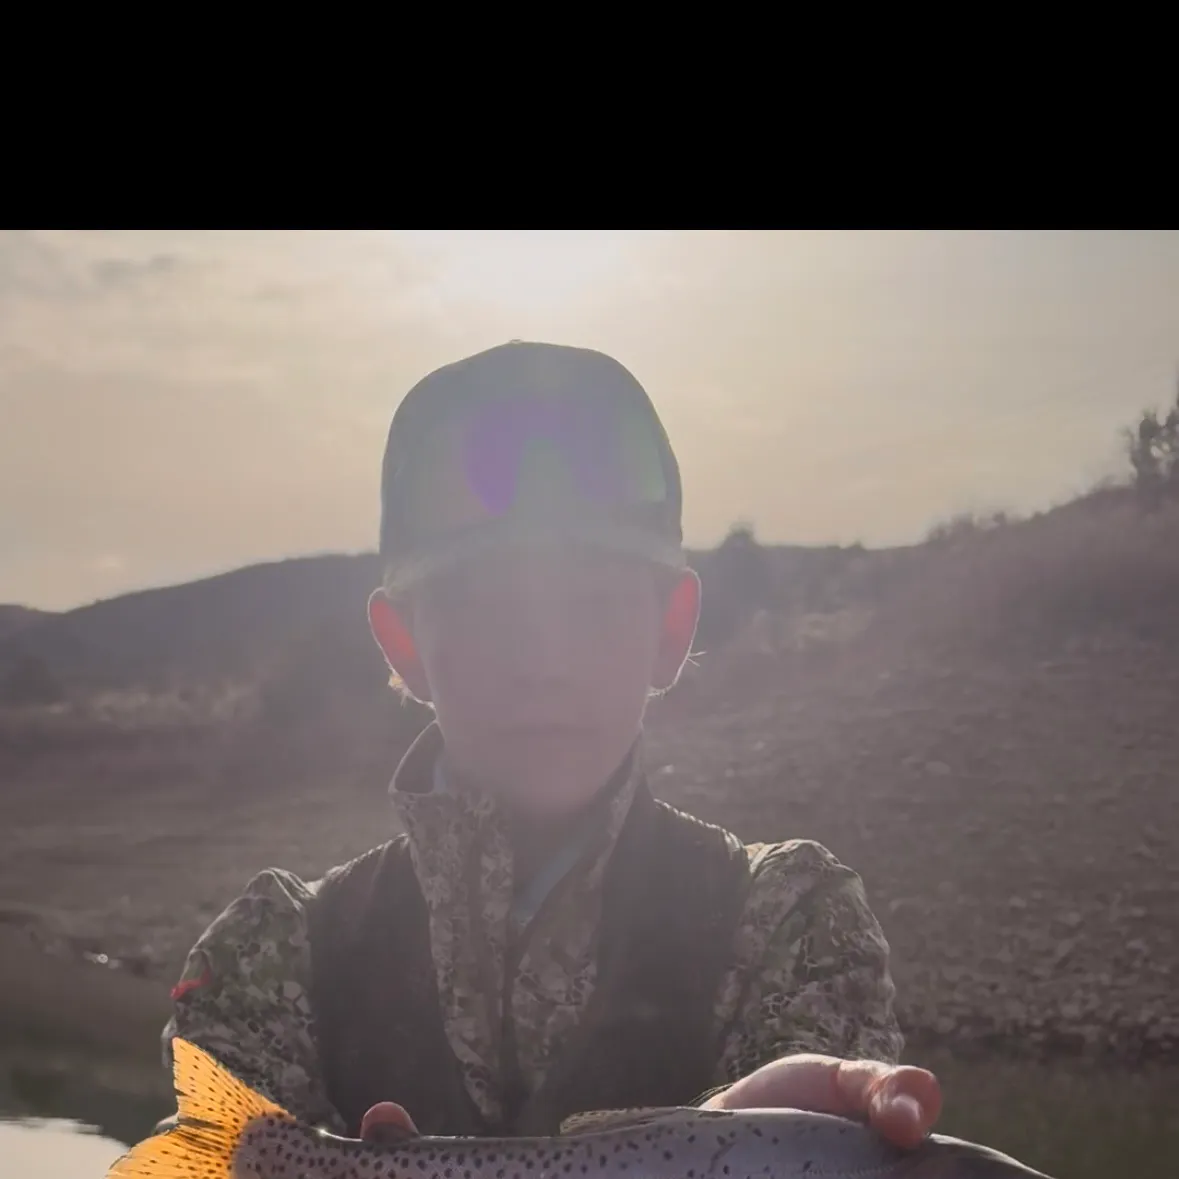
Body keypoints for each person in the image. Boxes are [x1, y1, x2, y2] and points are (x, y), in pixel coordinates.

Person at [157, 340, 942, 1149]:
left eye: (596, 606)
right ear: (402, 646)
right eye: (489, 610)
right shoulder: (268, 955)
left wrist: (738, 1149)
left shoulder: (794, 920)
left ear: (670, 630)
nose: (545, 663)